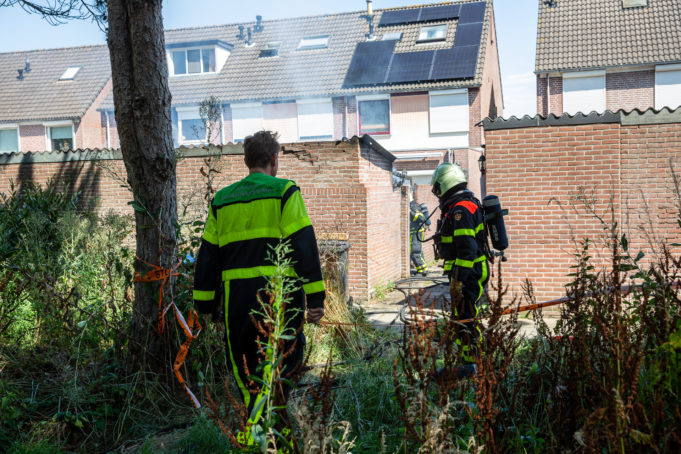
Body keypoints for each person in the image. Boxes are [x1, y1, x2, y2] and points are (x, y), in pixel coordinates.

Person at [192, 130, 326, 441]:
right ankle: (270, 437)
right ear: (274, 159)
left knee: (246, 370)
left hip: (236, 306)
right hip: (279, 303)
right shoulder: (285, 192)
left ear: (247, 161)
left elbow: (208, 258)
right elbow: (304, 245)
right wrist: (316, 299)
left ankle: (256, 434)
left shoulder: (222, 201)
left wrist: (204, 306)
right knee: (281, 369)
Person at [431, 162, 489, 365]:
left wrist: (458, 281)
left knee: (467, 319)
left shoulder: (461, 209)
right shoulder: (459, 206)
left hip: (468, 274)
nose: (437, 193)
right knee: (462, 318)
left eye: (438, 187)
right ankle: (467, 362)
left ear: (446, 183)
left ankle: (473, 364)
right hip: (464, 273)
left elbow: (467, 250)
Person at [409, 200, 429, 275]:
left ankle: (423, 270)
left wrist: (409, 212)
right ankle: (422, 269)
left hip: (416, 233)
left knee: (415, 251)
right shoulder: (413, 207)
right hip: (415, 233)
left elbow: (419, 218)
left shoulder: (413, 208)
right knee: (417, 251)